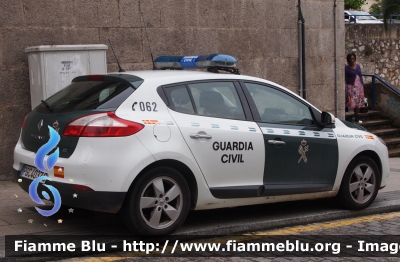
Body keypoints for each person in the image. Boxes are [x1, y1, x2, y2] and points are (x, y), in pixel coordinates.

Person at [345, 52, 365, 123]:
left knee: (359, 102)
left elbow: (360, 75)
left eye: (353, 59)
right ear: (348, 60)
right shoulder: (346, 68)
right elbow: (345, 78)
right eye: (351, 59)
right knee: (352, 101)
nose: (352, 60)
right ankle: (349, 116)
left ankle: (356, 116)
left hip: (359, 86)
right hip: (351, 86)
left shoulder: (358, 66)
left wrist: (362, 85)